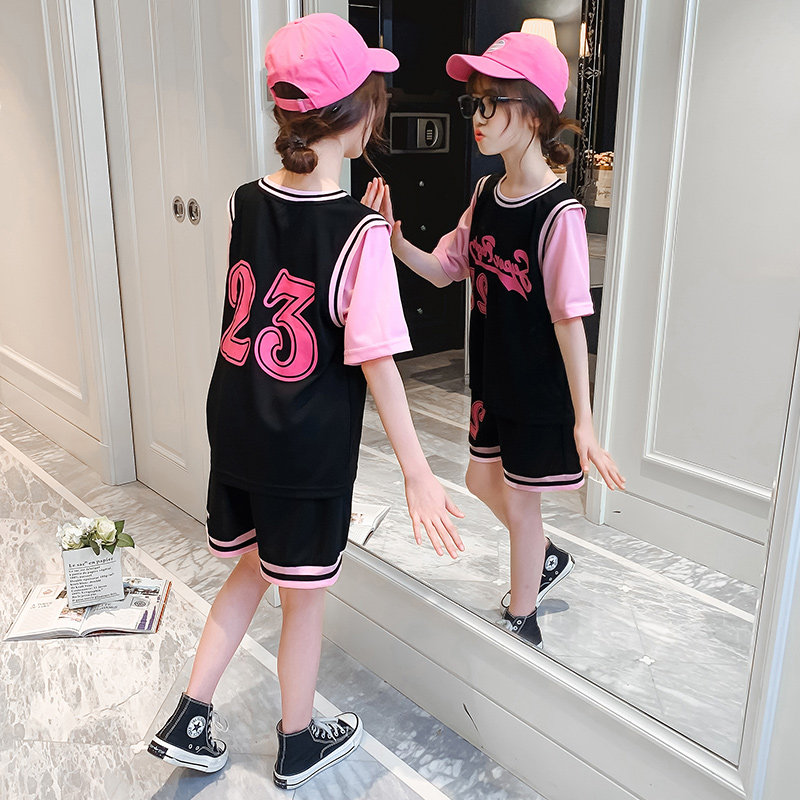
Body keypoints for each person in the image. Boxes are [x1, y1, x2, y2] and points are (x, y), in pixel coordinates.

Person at [147, 13, 463, 790]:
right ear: (353, 115)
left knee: (252, 569)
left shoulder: (242, 202)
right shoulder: (359, 234)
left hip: (238, 423)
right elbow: (378, 362)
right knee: (306, 600)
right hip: (305, 446)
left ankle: (190, 714)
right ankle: (297, 742)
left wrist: (372, 235)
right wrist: (419, 471)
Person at [362, 31, 624, 649]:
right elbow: (445, 269)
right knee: (482, 480)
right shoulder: (484, 196)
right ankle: (545, 558)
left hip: (536, 390)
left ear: (532, 112)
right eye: (472, 103)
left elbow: (570, 320)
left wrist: (585, 421)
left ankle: (522, 620)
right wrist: (395, 242)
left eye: (489, 103)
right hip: (492, 381)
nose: (477, 118)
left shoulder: (559, 214)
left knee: (521, 504)